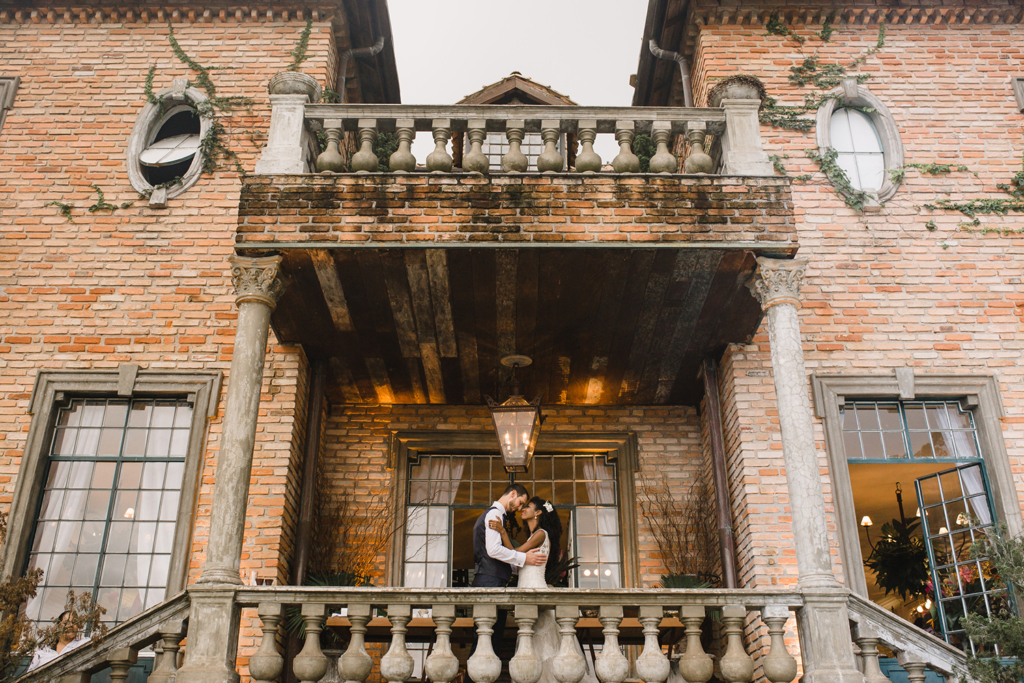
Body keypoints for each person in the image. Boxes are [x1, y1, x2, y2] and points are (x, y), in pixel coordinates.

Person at [491, 497, 598, 683]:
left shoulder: (541, 534)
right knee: (534, 644)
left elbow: (515, 554)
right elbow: (514, 555)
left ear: (538, 512)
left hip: (535, 591)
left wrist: (502, 532)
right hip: (527, 591)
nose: (522, 510)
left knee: (544, 646)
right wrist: (502, 533)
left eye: (528, 507)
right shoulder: (534, 536)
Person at [466, 483, 547, 683]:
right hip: (489, 582)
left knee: (488, 642)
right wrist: (523, 560)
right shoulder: (494, 515)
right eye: (519, 502)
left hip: (491, 580)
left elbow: (496, 554)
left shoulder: (497, 518)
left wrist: (518, 565)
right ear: (512, 494)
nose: (519, 508)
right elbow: (493, 551)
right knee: (486, 642)